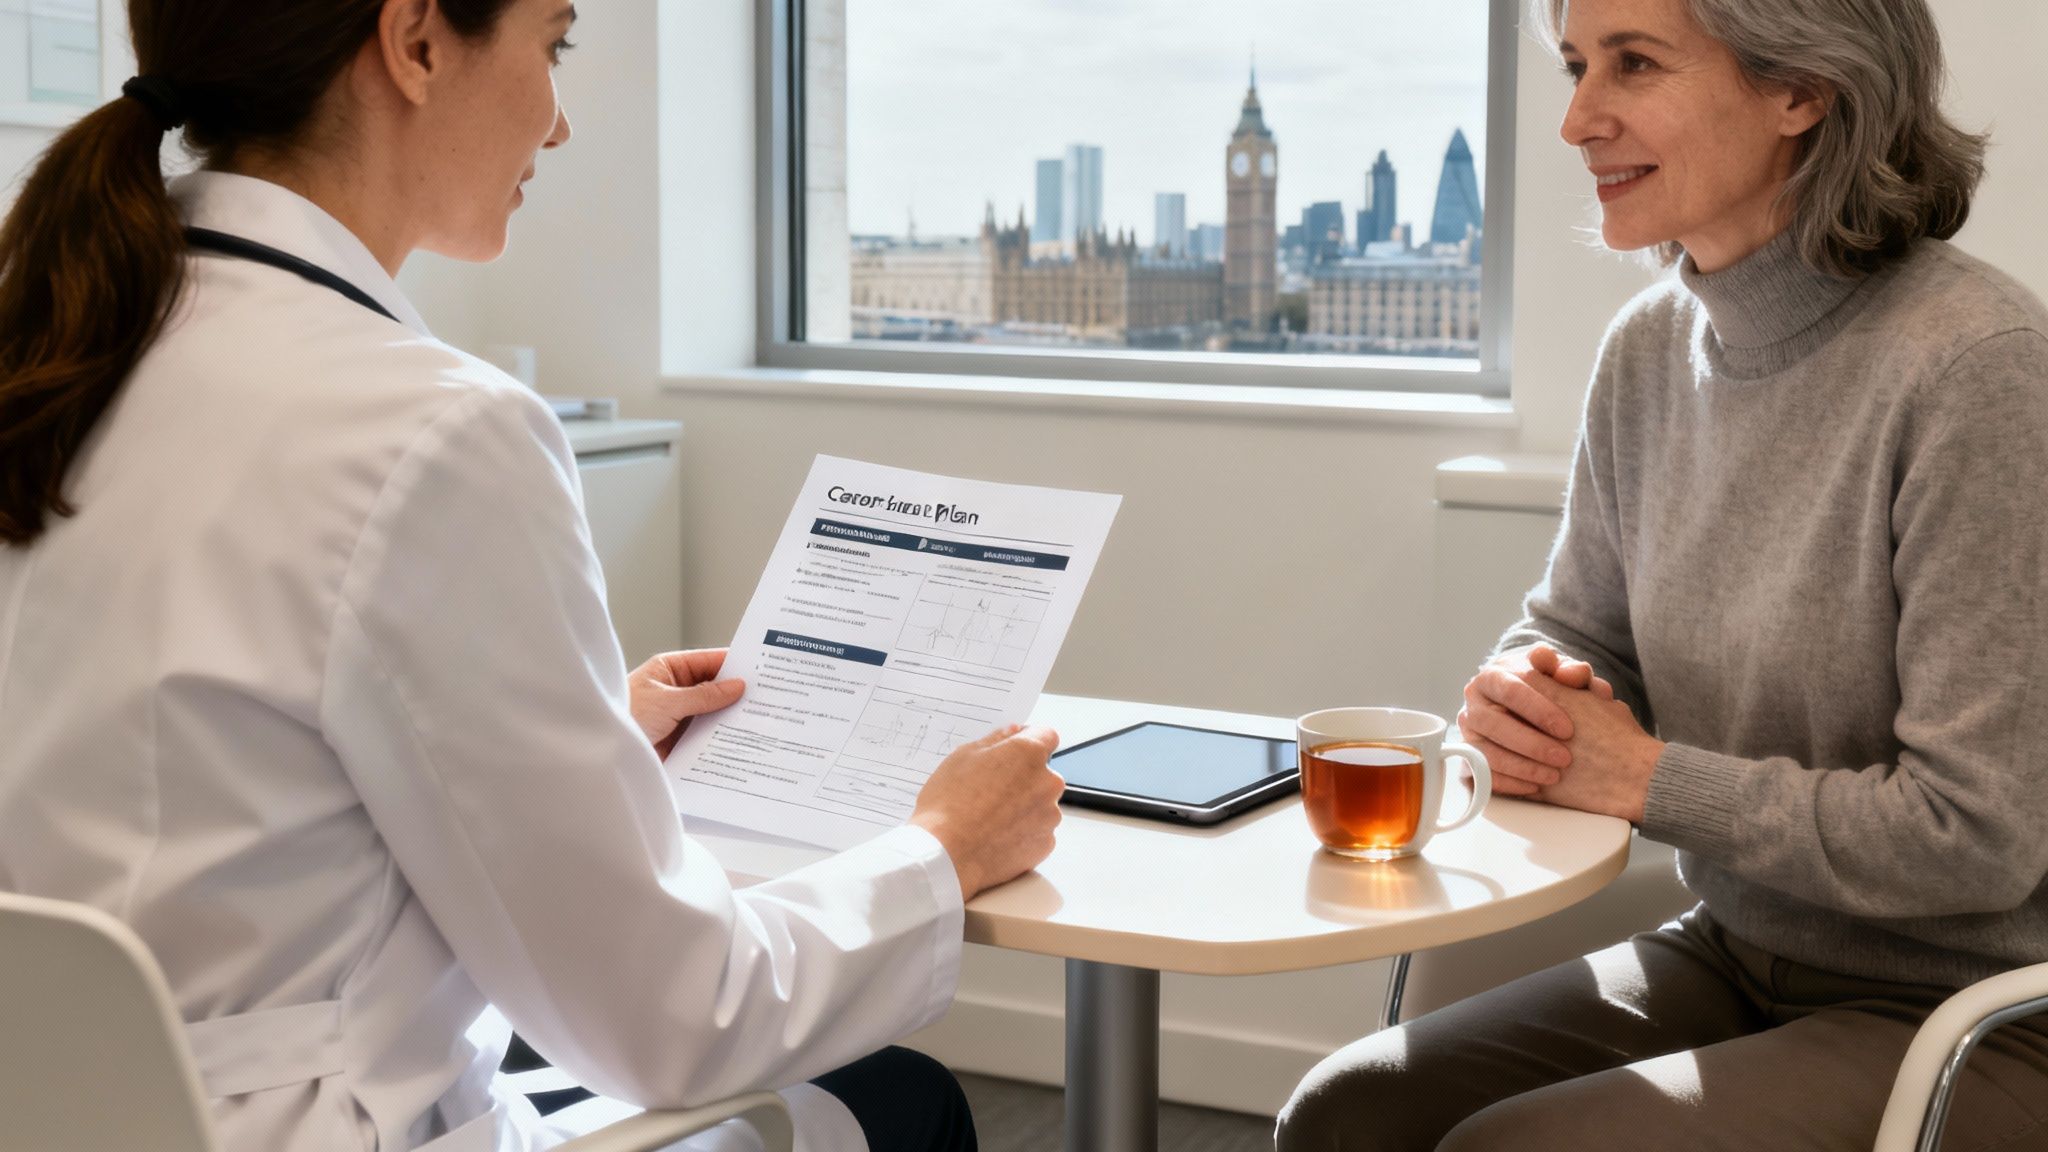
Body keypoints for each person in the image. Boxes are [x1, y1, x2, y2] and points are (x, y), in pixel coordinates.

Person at [0, 2, 1066, 1150]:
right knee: (898, 1101)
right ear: (413, 43)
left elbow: (224, 777)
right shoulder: (433, 431)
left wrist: (583, 731)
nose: (557, 124)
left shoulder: (66, 353)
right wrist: (942, 852)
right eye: (551, 46)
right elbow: (679, 1017)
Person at [1276, 0, 2048, 1147]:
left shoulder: (1974, 369)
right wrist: (1527, 693)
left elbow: (1976, 835)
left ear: (1800, 91)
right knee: (1343, 1116)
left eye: (1631, 64)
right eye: (1577, 67)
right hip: (1732, 948)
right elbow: (1578, 629)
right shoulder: (1645, 349)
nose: (1577, 120)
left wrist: (1640, 780)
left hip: (1970, 1008)